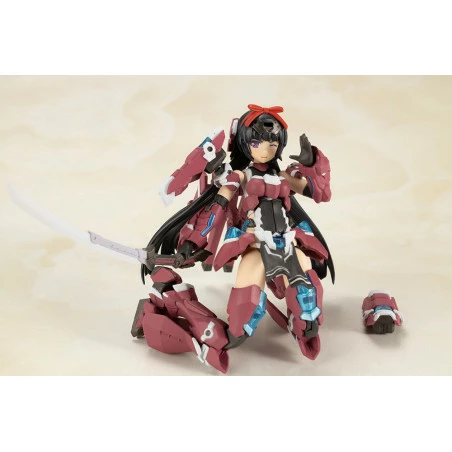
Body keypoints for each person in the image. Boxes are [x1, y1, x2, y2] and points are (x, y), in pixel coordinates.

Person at [133, 104, 334, 373]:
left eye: (273, 143)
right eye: (257, 142)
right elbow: (214, 208)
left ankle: (299, 323)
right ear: (245, 143)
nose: (266, 149)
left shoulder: (282, 176)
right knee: (238, 330)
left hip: (289, 242)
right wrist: (192, 242)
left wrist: (311, 163)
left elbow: (320, 192)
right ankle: (173, 302)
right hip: (254, 244)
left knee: (308, 311)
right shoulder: (239, 176)